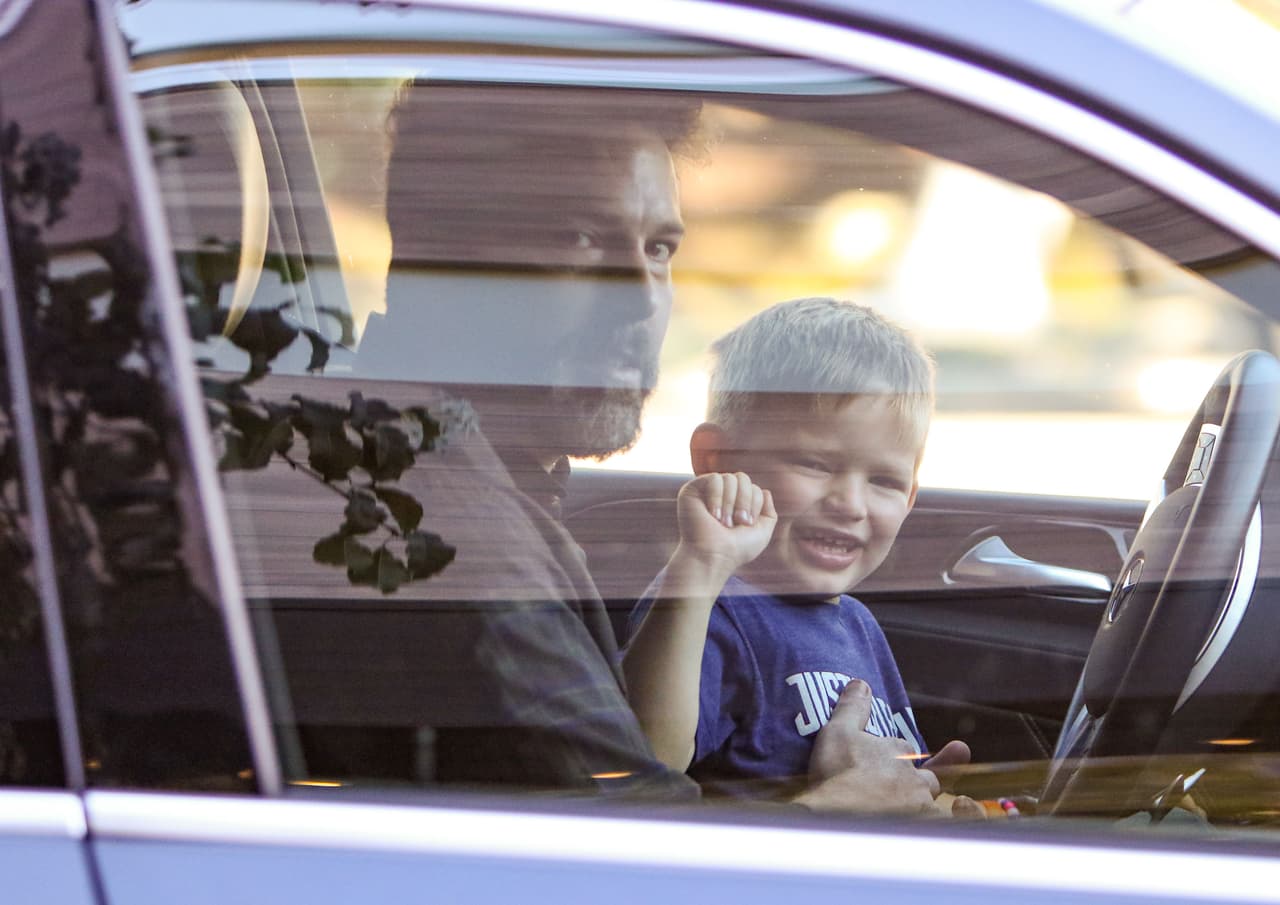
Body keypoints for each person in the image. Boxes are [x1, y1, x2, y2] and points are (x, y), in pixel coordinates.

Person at [248, 82, 967, 814]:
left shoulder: (438, 467)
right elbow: (631, 858)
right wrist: (846, 812)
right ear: (439, 259)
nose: (641, 296)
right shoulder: (453, 544)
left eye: (659, 248)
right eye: (582, 239)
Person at [624, 298, 971, 801]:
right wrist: (699, 565)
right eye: (814, 464)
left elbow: (874, 778)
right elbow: (645, 759)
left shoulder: (858, 625)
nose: (850, 503)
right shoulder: (709, 605)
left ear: (911, 497)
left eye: (884, 481)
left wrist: (925, 790)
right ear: (718, 460)